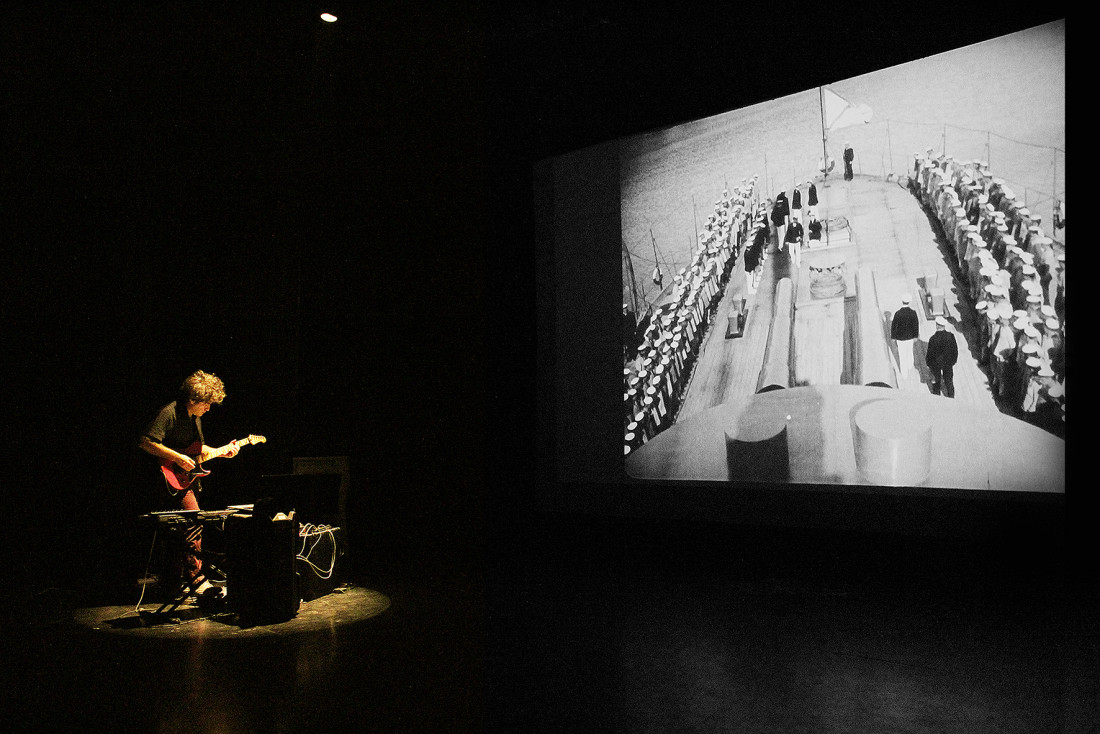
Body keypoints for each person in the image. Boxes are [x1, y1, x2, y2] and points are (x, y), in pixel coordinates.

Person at [139, 370, 239, 594]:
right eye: (206, 403)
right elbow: (146, 442)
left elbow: (197, 450)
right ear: (193, 399)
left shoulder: (195, 419)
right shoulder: (170, 413)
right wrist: (177, 458)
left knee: (180, 528)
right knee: (193, 522)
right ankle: (197, 579)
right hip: (166, 478)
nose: (208, 408)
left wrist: (221, 452)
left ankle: (174, 582)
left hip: (186, 480)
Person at [925, 316, 959, 397]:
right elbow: (955, 350)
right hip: (948, 363)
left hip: (936, 364)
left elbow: (930, 353)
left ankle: (937, 397)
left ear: (937, 325)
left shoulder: (933, 339)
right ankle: (951, 397)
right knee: (949, 381)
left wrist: (929, 364)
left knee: (936, 381)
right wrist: (953, 361)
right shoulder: (950, 336)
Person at [890, 295, 920, 381]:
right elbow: (916, 325)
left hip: (900, 338)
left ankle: (904, 374)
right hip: (910, 337)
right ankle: (910, 366)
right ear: (909, 302)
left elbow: (894, 326)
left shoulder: (898, 313)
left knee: (902, 355)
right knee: (910, 351)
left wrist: (893, 337)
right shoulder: (913, 313)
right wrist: (915, 336)